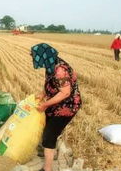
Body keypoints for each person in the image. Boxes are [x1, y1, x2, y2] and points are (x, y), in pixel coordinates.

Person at [30, 43, 82, 171]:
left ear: (43, 56)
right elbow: (50, 84)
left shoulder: (60, 70)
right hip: (56, 103)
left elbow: (65, 93)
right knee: (48, 129)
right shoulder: (51, 64)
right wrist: (42, 94)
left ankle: (47, 168)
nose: (34, 58)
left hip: (67, 106)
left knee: (49, 135)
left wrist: (45, 104)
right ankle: (51, 150)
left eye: (35, 56)